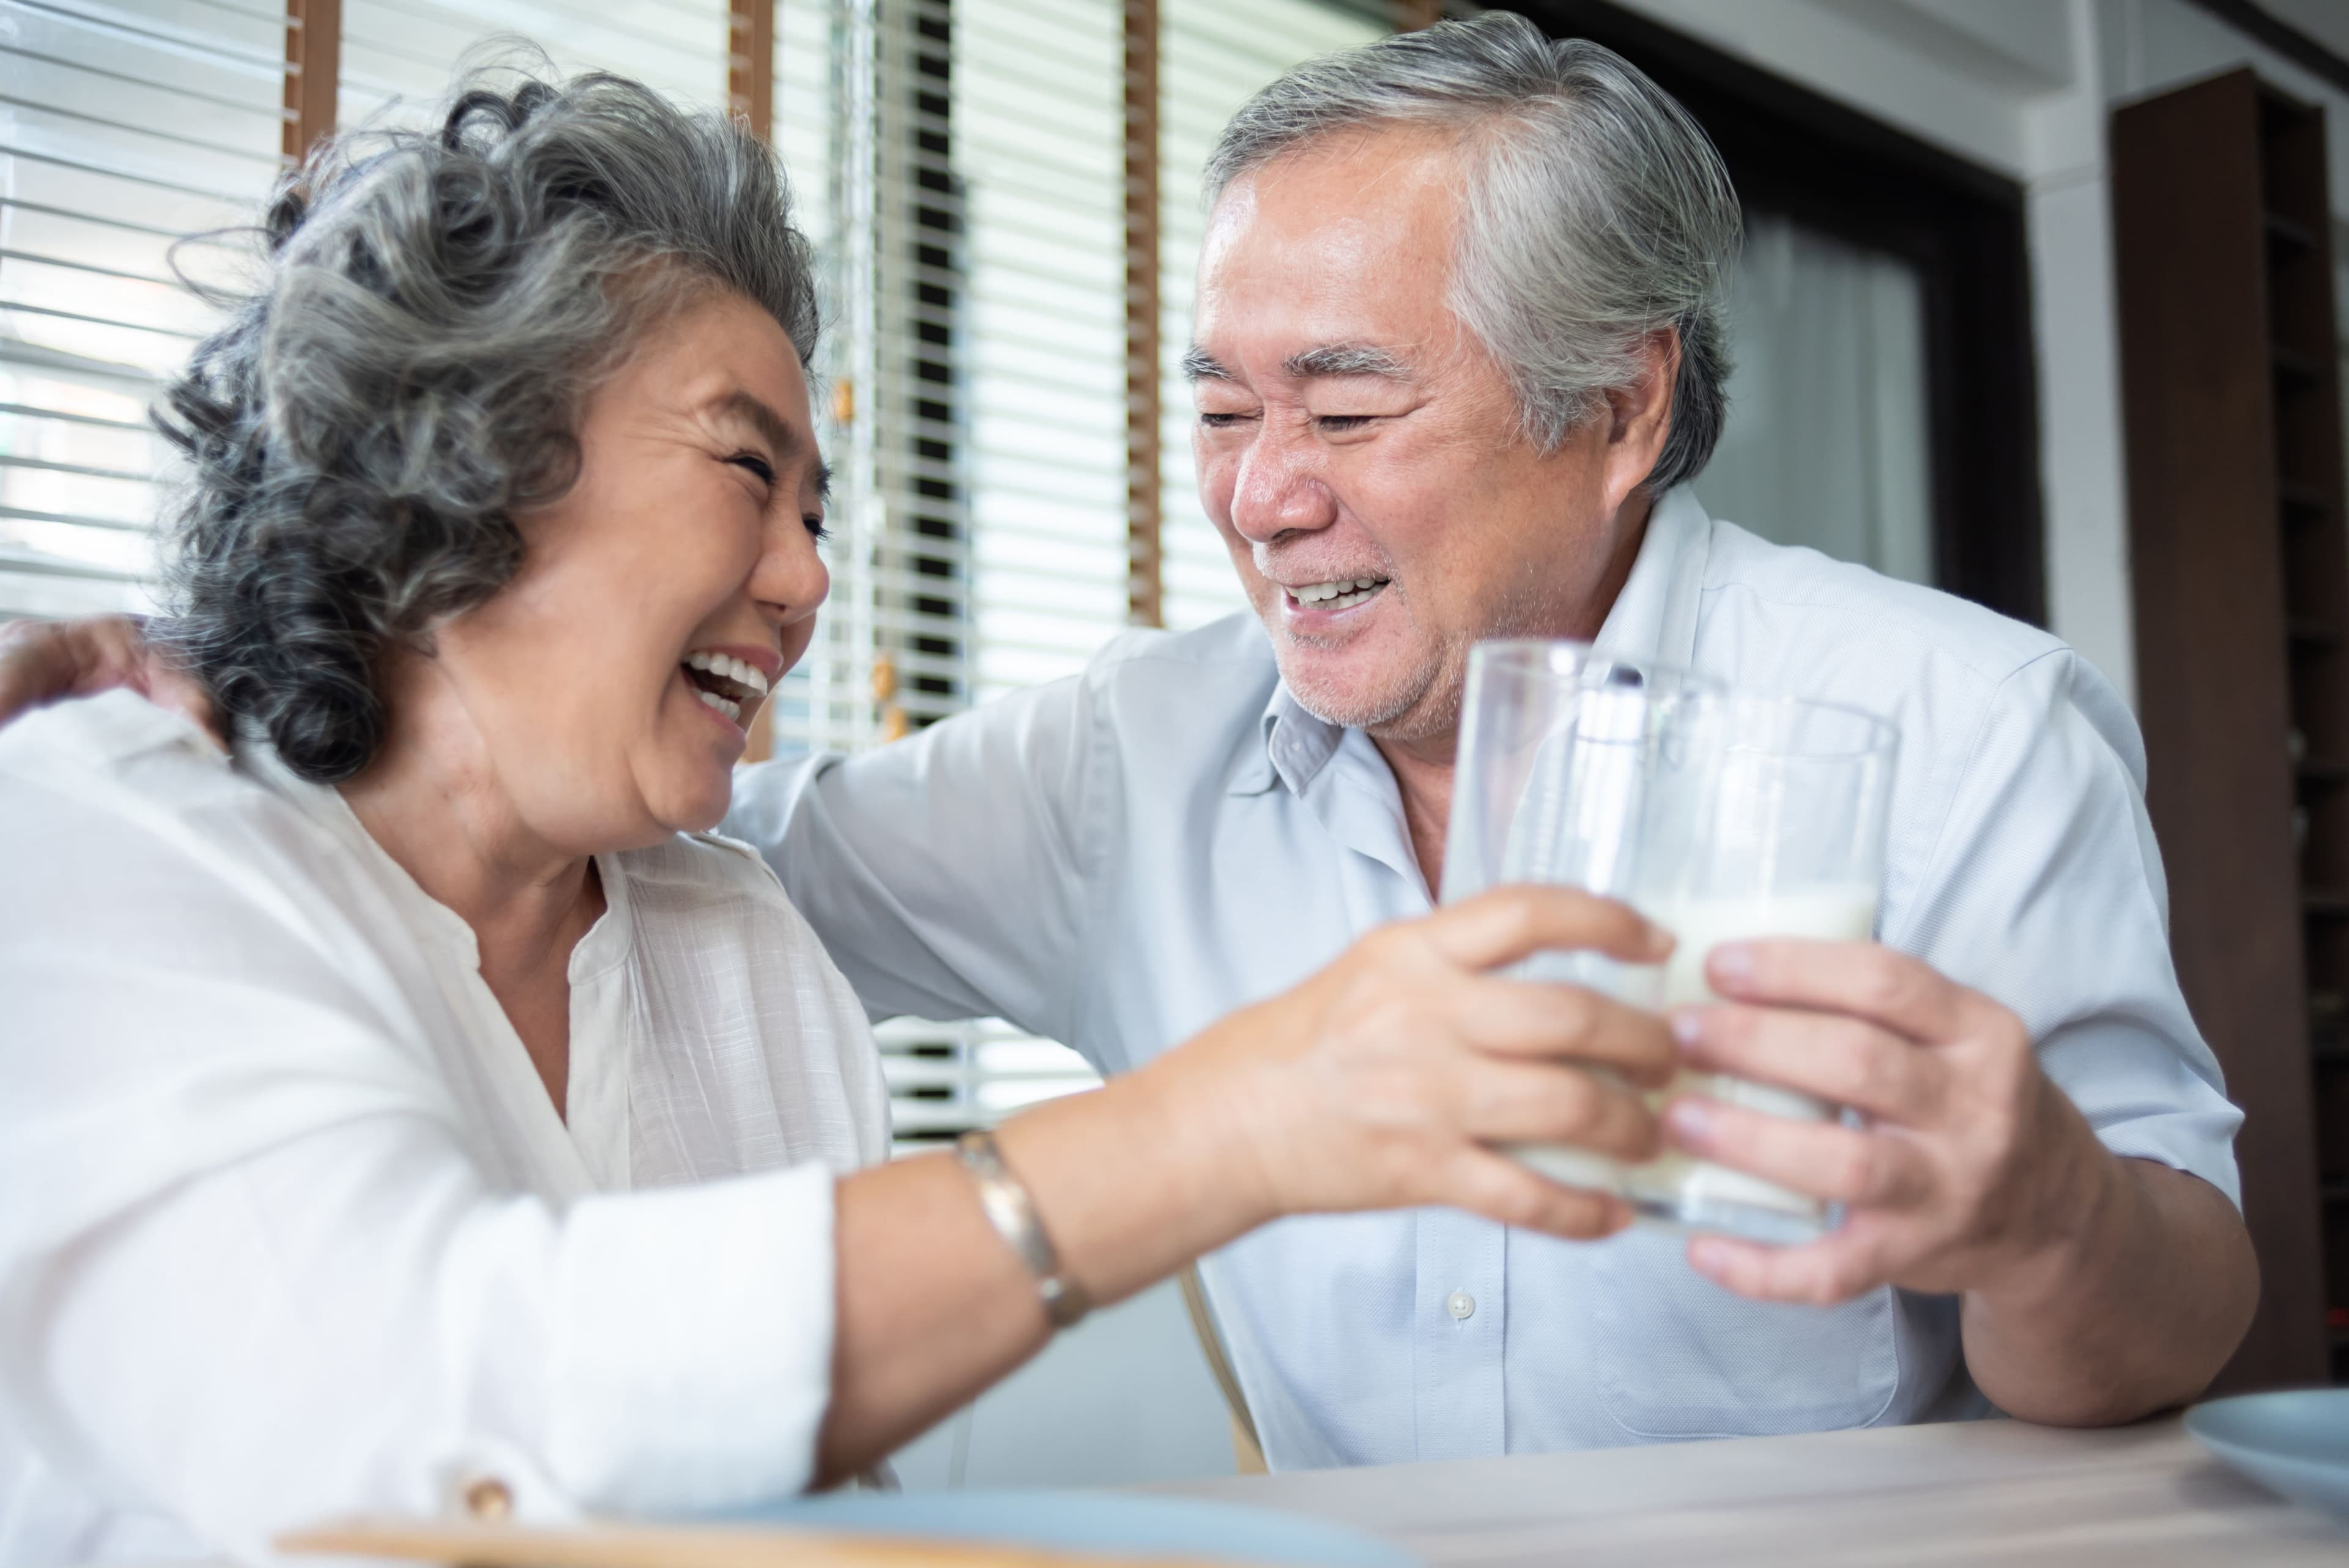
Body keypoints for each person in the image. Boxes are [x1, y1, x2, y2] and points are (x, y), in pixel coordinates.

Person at [1, 17, 2259, 1479]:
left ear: (1623, 405)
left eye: (1349, 404)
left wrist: (2046, 1208)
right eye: (1218, 403)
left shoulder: (1960, 729)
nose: (1261, 489)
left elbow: (2167, 1320)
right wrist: (243, 653)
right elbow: (620, 811)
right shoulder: (1107, 772)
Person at [0, 71, 1683, 1563]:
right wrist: (1231, 1123)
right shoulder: (115, 834)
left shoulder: (738, 942)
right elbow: (421, 1420)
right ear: (451, 461)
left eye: (821, 507)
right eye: (748, 472)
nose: (808, 580)